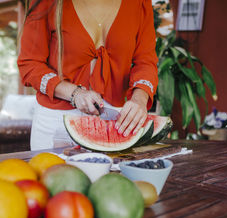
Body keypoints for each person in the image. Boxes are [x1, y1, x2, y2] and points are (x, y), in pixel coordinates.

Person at [18, 0, 158, 150]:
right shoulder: (47, 2)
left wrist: (140, 99)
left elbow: (146, 61)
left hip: (114, 121)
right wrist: (75, 94)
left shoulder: (139, 3)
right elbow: (30, 64)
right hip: (55, 122)